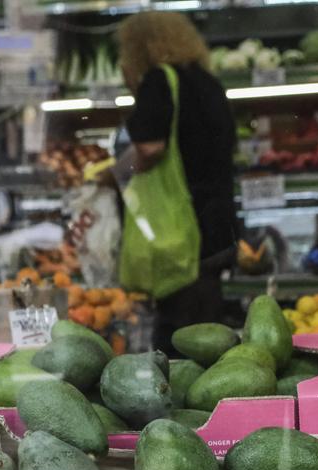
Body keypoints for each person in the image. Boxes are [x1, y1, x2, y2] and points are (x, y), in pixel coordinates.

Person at [115, 11, 238, 349]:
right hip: (216, 228)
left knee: (180, 339)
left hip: (182, 232)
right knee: (207, 334)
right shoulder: (209, 83)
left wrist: (117, 174)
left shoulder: (159, 81)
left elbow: (150, 147)